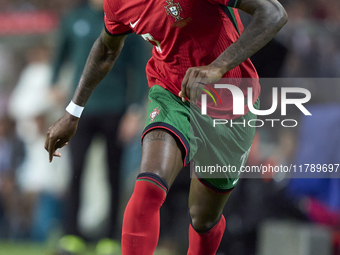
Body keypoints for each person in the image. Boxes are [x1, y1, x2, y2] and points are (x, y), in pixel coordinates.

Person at [45, 0, 287, 254]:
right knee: (149, 186)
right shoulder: (117, 3)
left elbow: (274, 13)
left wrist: (218, 66)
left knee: (203, 217)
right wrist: (73, 112)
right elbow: (106, 49)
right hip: (172, 91)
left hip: (232, 98)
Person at [49, 0, 148, 246]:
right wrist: (53, 84)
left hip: (116, 108)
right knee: (76, 171)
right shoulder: (74, 18)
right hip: (80, 109)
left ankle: (109, 237)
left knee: (113, 174)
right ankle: (71, 234)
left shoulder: (127, 18)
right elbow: (60, 55)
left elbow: (140, 67)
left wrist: (135, 110)